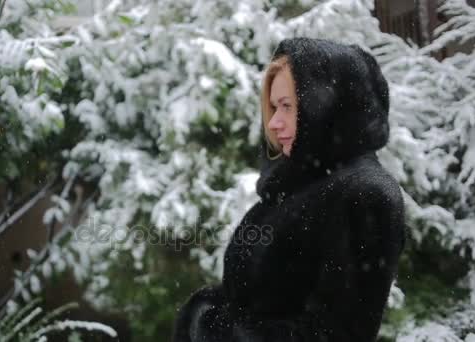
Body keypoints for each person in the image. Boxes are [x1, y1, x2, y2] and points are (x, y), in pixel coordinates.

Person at [171, 37, 407, 342]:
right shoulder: (297, 185)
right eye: (273, 107)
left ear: (330, 106)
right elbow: (257, 299)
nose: (275, 123)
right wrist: (204, 312)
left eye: (288, 107)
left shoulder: (364, 194)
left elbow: (335, 334)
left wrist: (216, 331)